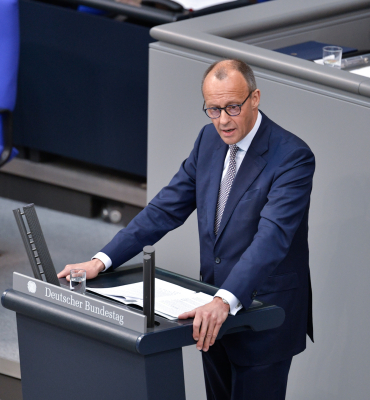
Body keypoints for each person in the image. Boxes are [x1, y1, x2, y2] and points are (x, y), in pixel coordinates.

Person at [58, 59, 315, 400]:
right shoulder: (208, 140)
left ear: (255, 98)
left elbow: (272, 239)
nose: (223, 120)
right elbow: (165, 208)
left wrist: (224, 300)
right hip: (209, 314)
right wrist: (102, 260)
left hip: (261, 314)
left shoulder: (292, 157)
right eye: (213, 109)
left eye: (233, 107)